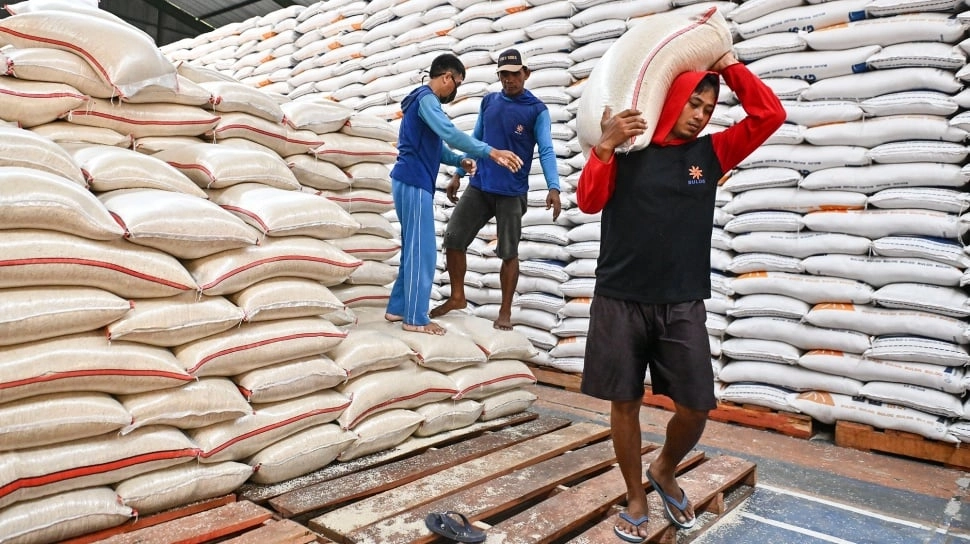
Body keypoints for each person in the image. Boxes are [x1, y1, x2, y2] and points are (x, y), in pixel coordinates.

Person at [576, 51, 784, 543]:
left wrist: (729, 65)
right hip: (620, 298)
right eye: (694, 102)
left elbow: (771, 115)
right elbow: (588, 202)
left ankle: (664, 469)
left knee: (695, 406)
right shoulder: (627, 148)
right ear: (671, 99)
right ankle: (634, 494)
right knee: (624, 404)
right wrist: (604, 145)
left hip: (681, 301)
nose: (700, 115)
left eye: (708, 108)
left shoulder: (711, 155)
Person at [385, 53, 524, 335]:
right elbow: (449, 133)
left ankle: (397, 307)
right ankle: (415, 317)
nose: (455, 90)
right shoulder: (426, 100)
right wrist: (490, 151)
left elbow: (437, 147)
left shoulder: (423, 102)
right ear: (447, 77)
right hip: (413, 182)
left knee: (413, 247)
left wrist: (459, 161)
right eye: (457, 83)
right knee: (422, 251)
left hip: (410, 181)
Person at [430, 48, 562, 330]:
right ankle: (457, 296)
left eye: (514, 74)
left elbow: (547, 150)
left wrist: (554, 187)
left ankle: (505, 311)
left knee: (508, 251)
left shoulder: (537, 110)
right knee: (453, 236)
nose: (509, 80)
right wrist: (457, 173)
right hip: (480, 186)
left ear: (525, 73)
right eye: (504, 75)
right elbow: (476, 139)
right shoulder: (489, 102)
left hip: (511, 193)